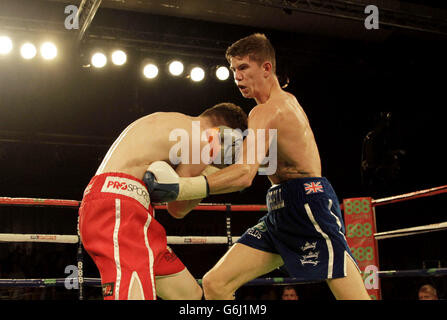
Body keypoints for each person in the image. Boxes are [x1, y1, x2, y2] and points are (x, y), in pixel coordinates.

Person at [146, 33, 371, 300]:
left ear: (266, 68)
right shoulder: (268, 112)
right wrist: (207, 170)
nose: (236, 77)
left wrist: (181, 187)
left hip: (309, 205)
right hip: (279, 209)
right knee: (216, 283)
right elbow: (254, 165)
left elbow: (244, 175)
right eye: (233, 70)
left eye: (243, 68)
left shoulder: (269, 110)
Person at [78, 102, 248, 300]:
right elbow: (177, 208)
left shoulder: (170, 120)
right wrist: (215, 179)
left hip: (119, 207)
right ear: (227, 133)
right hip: (120, 209)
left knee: (189, 295)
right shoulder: (204, 139)